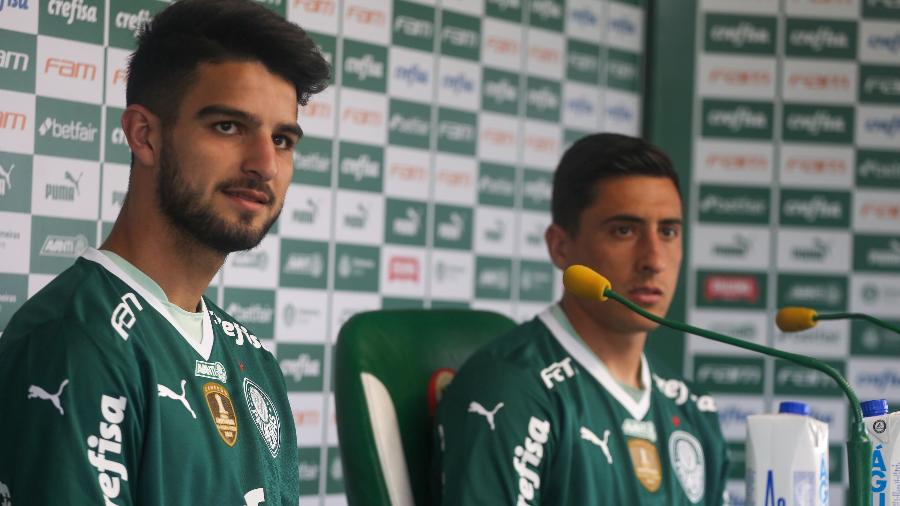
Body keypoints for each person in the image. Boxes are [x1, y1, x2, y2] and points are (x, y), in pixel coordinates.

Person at [0, 0, 329, 504]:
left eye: (282, 139)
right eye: (228, 127)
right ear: (144, 135)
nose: (265, 163)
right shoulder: (76, 343)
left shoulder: (253, 361)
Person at [430, 133, 729, 505]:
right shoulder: (511, 391)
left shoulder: (692, 406)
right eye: (624, 230)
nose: (654, 259)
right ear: (560, 246)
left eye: (668, 231)